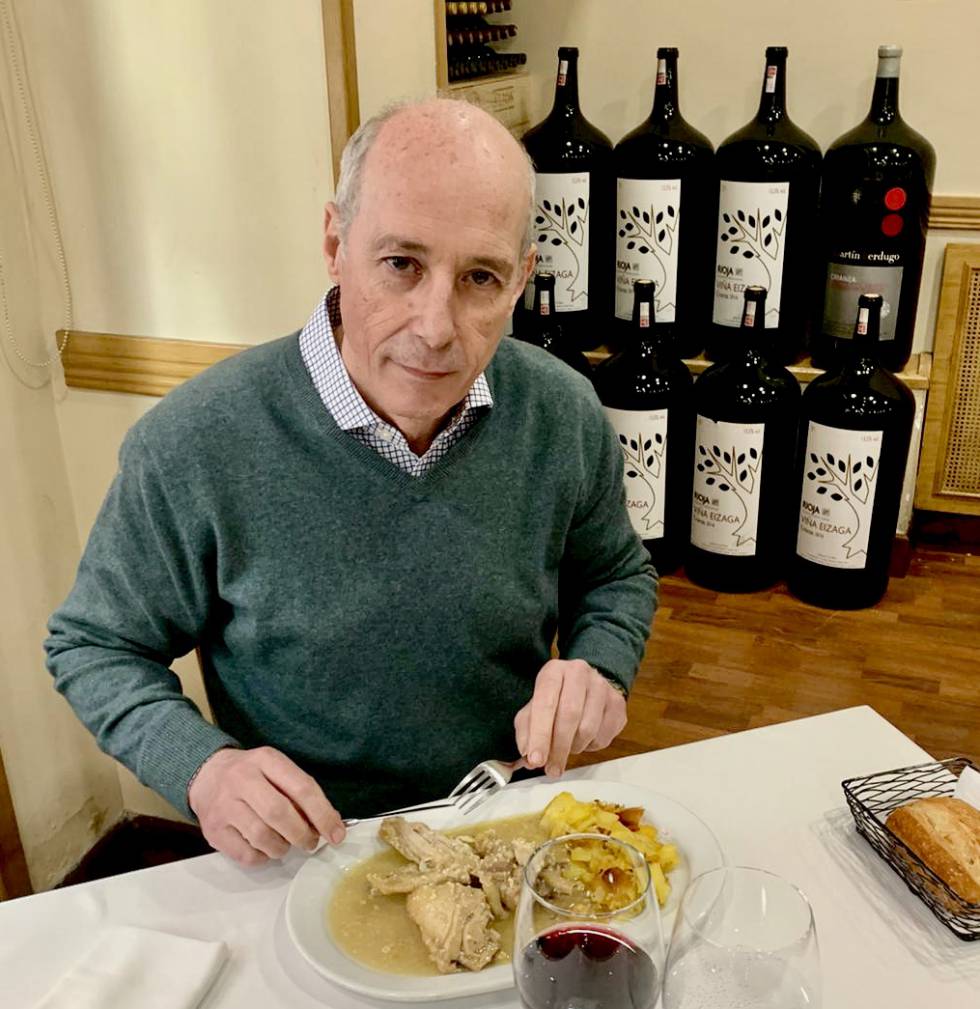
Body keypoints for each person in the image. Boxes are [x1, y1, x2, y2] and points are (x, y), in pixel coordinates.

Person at [45, 99, 657, 868]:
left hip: (507, 825)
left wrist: (599, 663)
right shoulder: (195, 442)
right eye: (401, 264)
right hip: (304, 856)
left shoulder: (563, 412)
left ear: (522, 280)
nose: (436, 326)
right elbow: (94, 642)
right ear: (335, 244)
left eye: (480, 278)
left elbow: (616, 573)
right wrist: (205, 768)